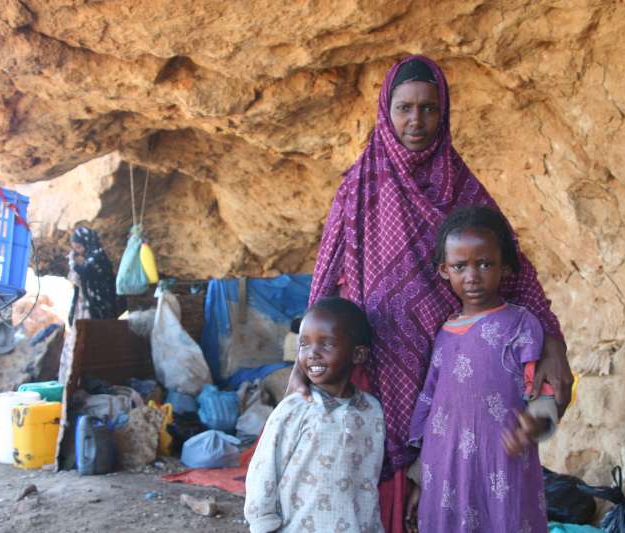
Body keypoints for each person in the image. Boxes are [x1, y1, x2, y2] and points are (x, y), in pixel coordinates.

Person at [289, 55, 573, 531]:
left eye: (428, 109)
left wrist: (555, 344)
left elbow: (518, 273)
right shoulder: (357, 188)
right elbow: (325, 280)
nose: (415, 121)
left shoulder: (466, 190)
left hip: (457, 353)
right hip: (375, 361)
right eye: (404, 108)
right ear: (386, 111)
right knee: (378, 490)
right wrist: (301, 362)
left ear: (444, 114)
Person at [404, 206, 558, 533]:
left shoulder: (520, 325)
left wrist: (536, 422)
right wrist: (419, 476)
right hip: (443, 468)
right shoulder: (443, 333)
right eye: (460, 266)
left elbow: (543, 391)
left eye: (485, 264)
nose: (472, 276)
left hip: (501, 461)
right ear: (445, 270)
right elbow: (430, 399)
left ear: (505, 268)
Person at [245, 297, 385, 533]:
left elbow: (369, 481)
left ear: (358, 355)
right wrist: (262, 524)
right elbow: (264, 470)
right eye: (304, 344)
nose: (313, 354)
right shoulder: (294, 409)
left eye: (326, 344)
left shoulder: (372, 411)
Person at [67, 226, 119, 325]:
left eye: (79, 247)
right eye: (74, 248)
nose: (77, 251)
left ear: (87, 243)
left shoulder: (98, 258)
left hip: (102, 306)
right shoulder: (87, 258)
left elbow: (85, 274)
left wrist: (75, 265)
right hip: (92, 307)